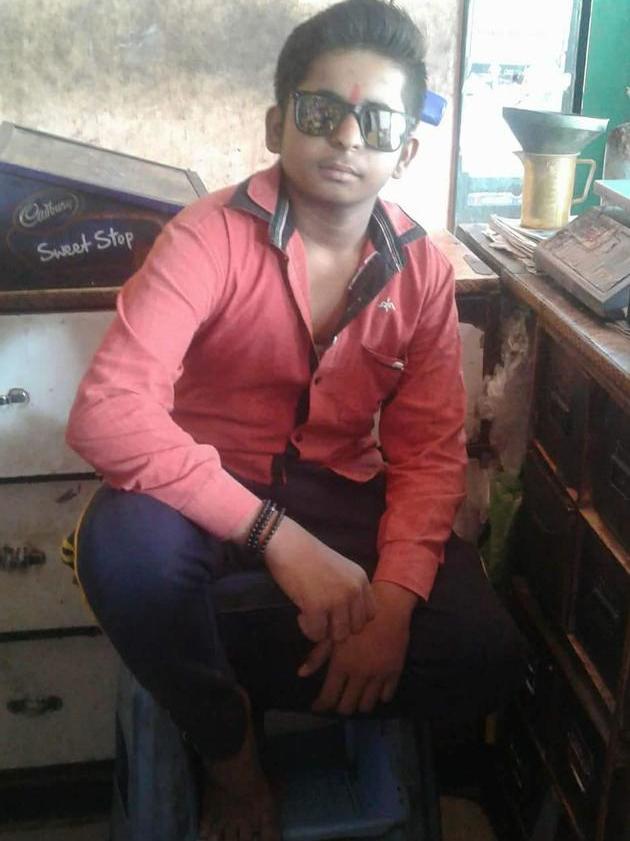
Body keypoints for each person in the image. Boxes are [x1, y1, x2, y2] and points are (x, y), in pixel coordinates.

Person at [66, 1, 524, 839]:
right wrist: (279, 540)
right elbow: (108, 411)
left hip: (337, 485)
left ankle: (205, 671)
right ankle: (231, 751)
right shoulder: (206, 238)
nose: (347, 137)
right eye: (321, 112)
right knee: (123, 558)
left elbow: (428, 455)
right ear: (278, 124)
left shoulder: (422, 271)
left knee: (483, 652)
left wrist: (390, 607)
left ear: (405, 150)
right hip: (204, 486)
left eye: (376, 121)